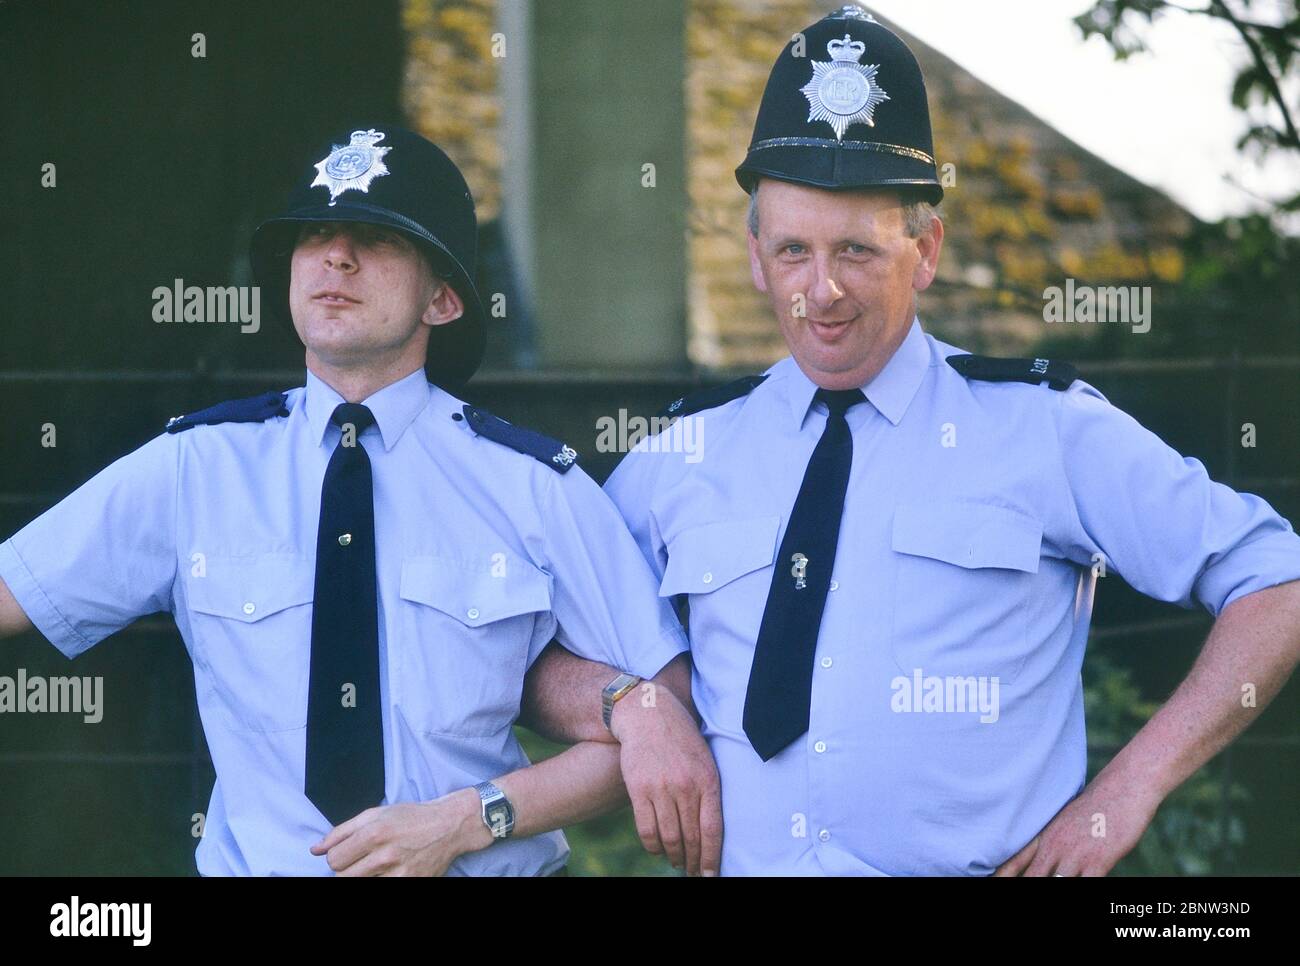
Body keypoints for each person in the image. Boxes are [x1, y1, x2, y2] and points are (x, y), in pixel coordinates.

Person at [589, 5, 1300, 875]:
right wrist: (638, 708)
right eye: (791, 252)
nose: (822, 291)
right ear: (752, 253)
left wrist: (1121, 799)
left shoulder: (1043, 430)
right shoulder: (681, 456)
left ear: (925, 249)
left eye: (856, 250)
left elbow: (1277, 582)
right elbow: (546, 638)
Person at [0, 125, 720, 876]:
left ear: (441, 298)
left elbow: (664, 728)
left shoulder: (533, 488)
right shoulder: (197, 468)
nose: (335, 256)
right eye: (315, 234)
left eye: (374, 238)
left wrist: (471, 820)